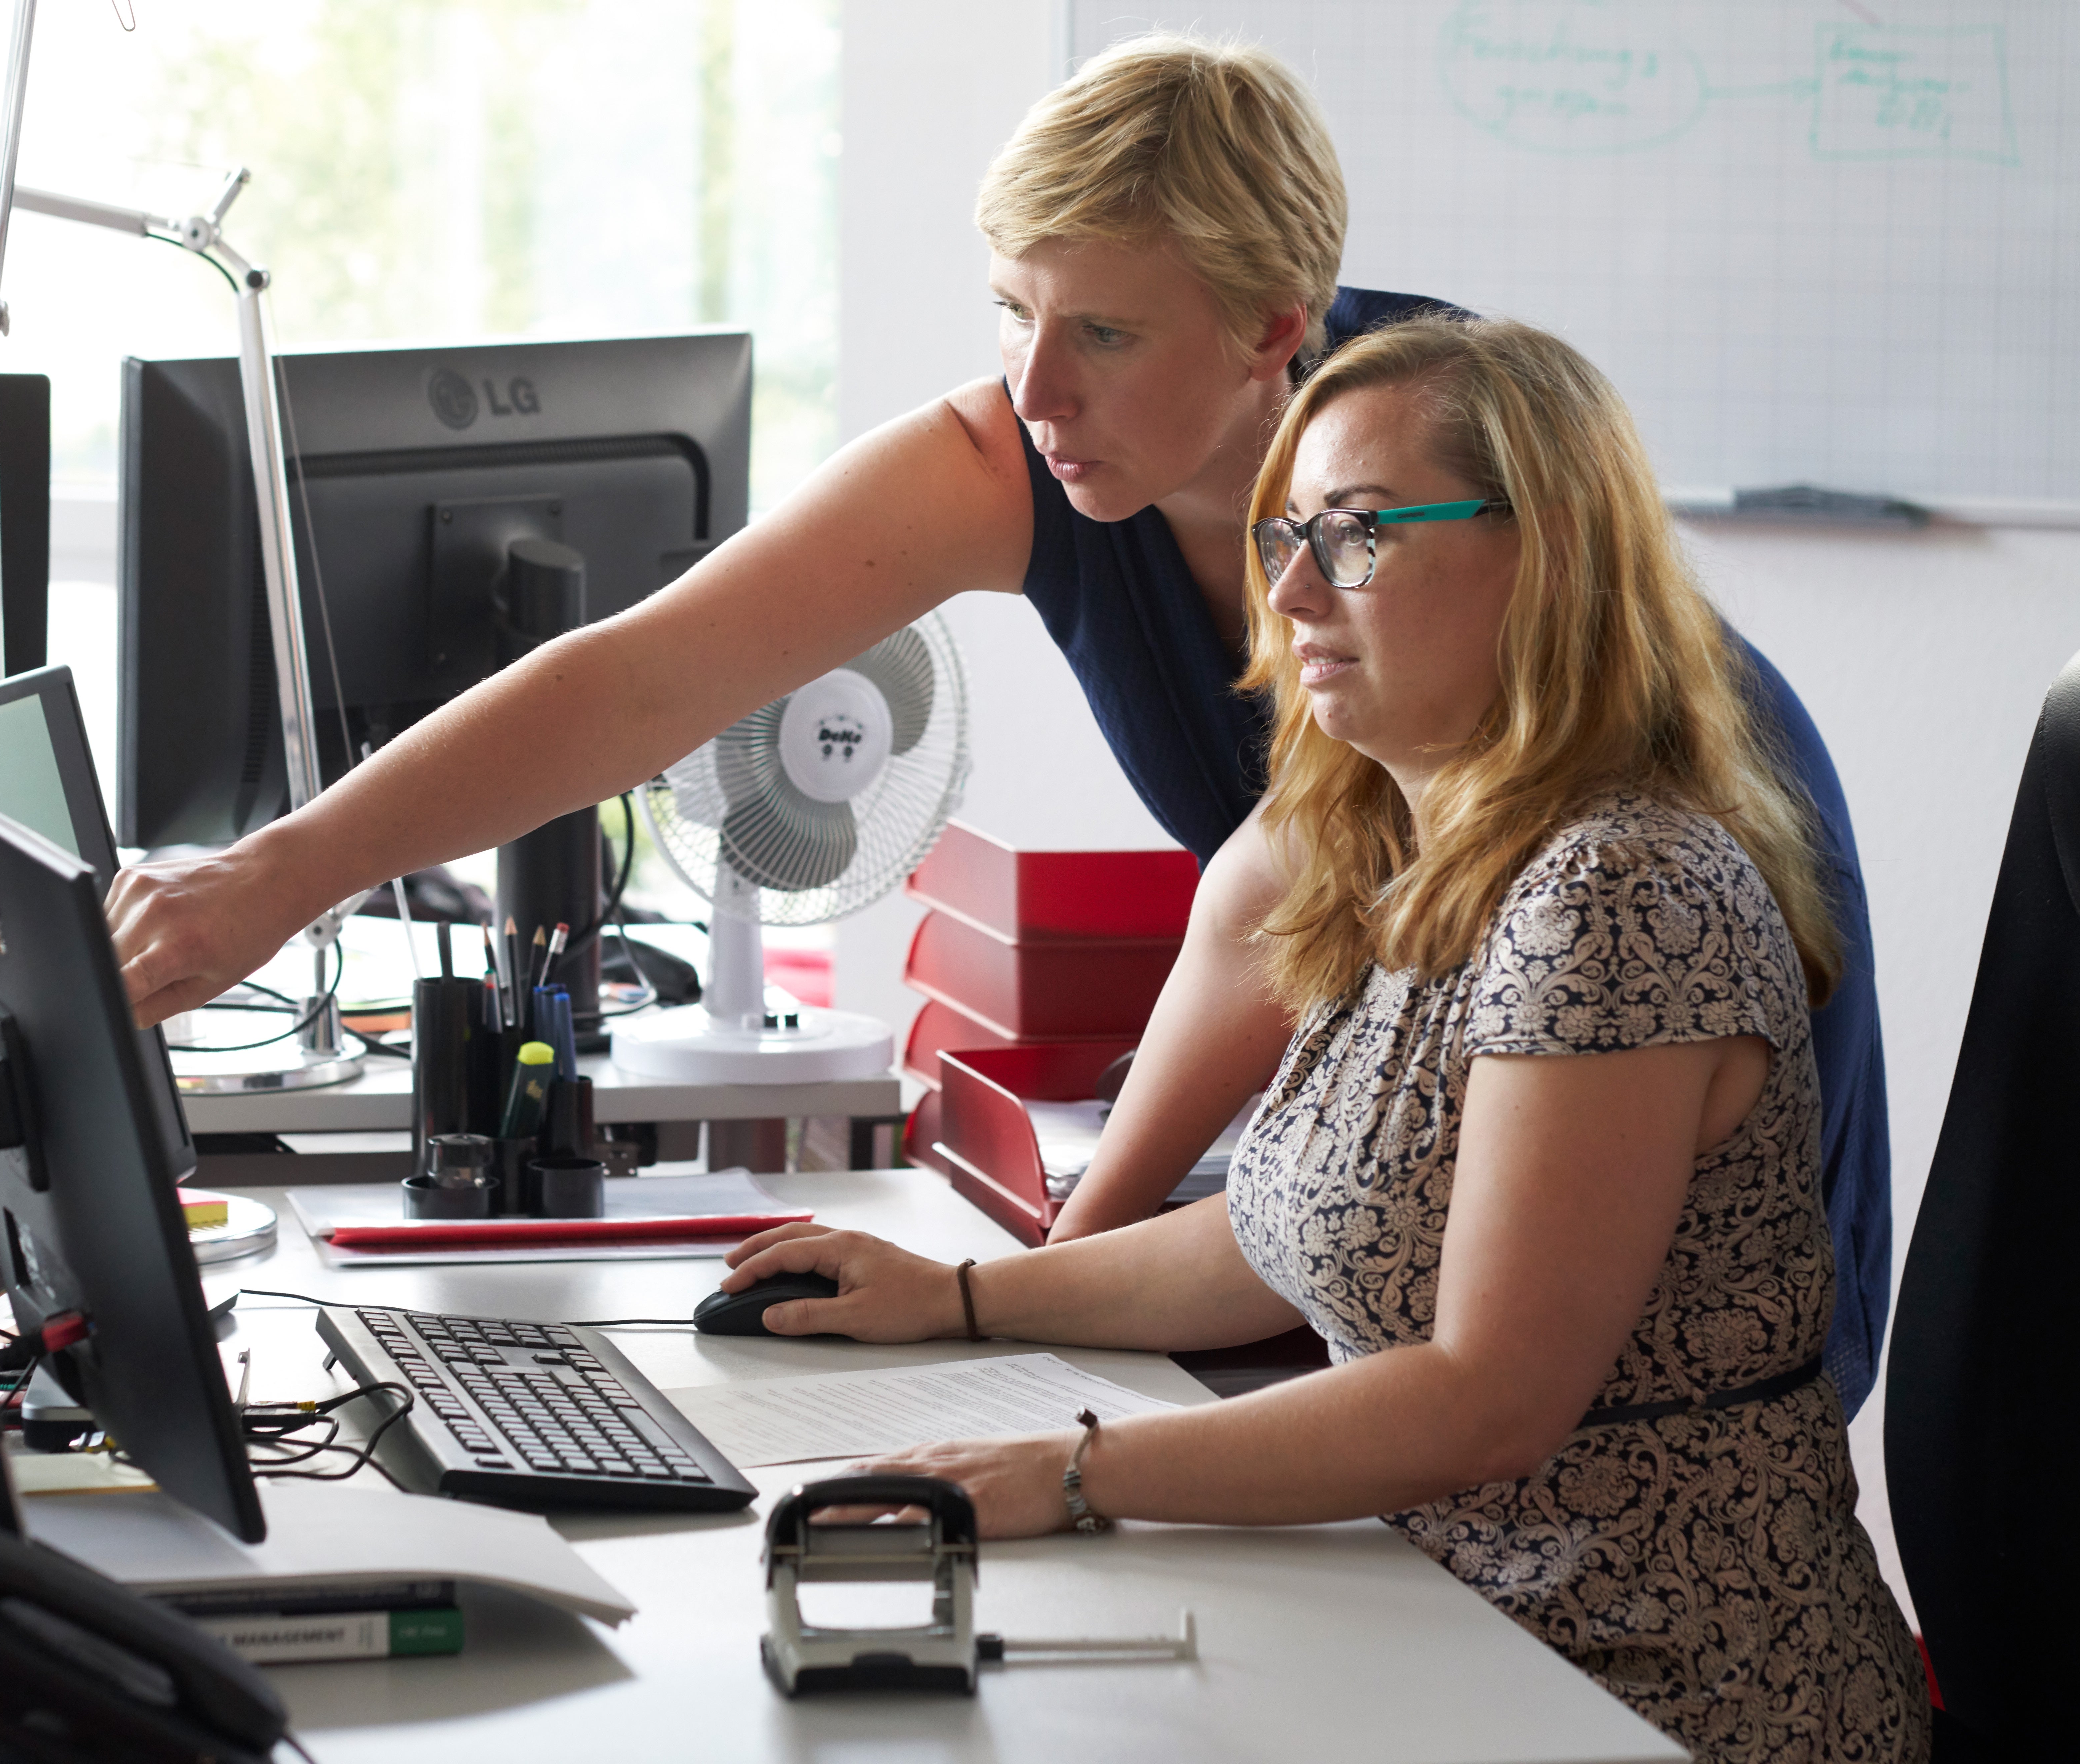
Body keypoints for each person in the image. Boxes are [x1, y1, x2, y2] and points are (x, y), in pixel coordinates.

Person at [103, 35, 1889, 1408]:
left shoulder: (1425, 496)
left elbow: (1301, 886)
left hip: (1633, 1213)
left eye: (1101, 332)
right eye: (1015, 314)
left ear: (1281, 327)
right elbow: (648, 677)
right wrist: (282, 875)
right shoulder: (1046, 454)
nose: (1033, 391)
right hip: (1386, 1184)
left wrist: (1046, 1285)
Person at [715, 314, 1929, 1763]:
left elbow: (1486, 1398)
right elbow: (1288, 1230)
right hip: (1456, 1624)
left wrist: (1071, 1472)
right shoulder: (1415, 849)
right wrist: (960, 1298)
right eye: (1281, 535)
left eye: (1353, 537)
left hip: (1650, 1689)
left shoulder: (1620, 889)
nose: (1286, 589)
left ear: (1540, 555)